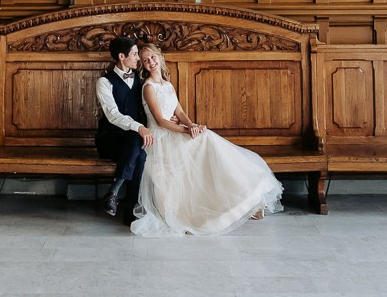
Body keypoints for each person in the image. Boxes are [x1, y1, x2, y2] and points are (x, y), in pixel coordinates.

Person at [131, 43, 283, 237]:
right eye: (145, 60)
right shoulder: (148, 88)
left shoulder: (167, 85)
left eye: (152, 57)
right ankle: (206, 213)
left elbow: (180, 112)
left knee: (207, 138)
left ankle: (243, 200)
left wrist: (192, 125)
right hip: (162, 139)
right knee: (202, 144)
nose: (150, 62)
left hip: (177, 131)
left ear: (160, 57)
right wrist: (186, 131)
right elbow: (160, 121)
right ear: (143, 65)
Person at [93, 36, 152, 219]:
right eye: (134, 54)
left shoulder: (141, 81)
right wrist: (139, 127)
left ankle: (114, 193)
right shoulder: (104, 82)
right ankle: (130, 209)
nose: (137, 58)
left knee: (139, 150)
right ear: (121, 56)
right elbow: (112, 114)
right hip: (110, 140)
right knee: (138, 146)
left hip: (132, 140)